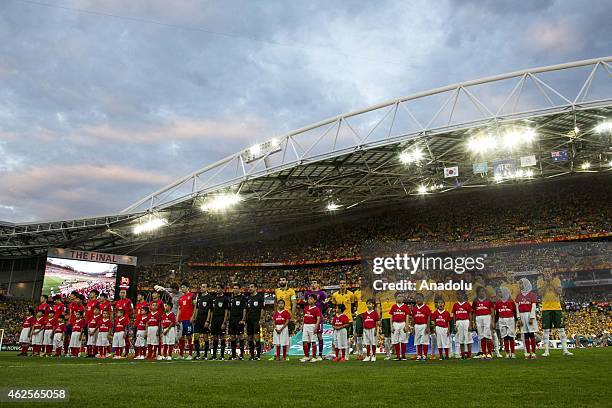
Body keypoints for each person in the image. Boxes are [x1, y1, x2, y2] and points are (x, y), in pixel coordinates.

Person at [538, 270, 573, 356]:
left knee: (561, 329)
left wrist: (551, 282)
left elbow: (559, 292)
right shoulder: (540, 281)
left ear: (551, 272)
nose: (547, 273)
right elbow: (540, 293)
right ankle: (546, 351)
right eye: (546, 272)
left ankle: (565, 350)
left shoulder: (557, 280)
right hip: (546, 308)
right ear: (543, 273)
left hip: (557, 308)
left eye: (549, 271)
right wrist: (547, 283)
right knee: (546, 330)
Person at [304, 279, 327, 360]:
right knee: (309, 337)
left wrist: (321, 312)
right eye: (312, 283)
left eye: (315, 283)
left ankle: (320, 355)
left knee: (319, 335)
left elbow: (325, 304)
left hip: (318, 317)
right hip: (310, 317)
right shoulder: (307, 293)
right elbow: (305, 304)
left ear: (317, 284)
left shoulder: (322, 293)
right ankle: (309, 355)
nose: (313, 284)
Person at [330, 279, 355, 356]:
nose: (342, 284)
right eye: (341, 283)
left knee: (346, 338)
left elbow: (353, 305)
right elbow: (334, 306)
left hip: (348, 319)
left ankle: (346, 355)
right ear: (339, 284)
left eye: (344, 283)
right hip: (338, 319)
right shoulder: (335, 295)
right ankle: (338, 354)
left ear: (346, 284)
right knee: (337, 338)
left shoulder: (351, 294)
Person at [516, 277, 538, 359]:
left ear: (525, 284)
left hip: (529, 315)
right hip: (522, 316)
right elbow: (517, 308)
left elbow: (533, 306)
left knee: (531, 334)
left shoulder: (532, 295)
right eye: (519, 283)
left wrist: (532, 317)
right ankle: (527, 353)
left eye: (521, 283)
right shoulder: (518, 296)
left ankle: (533, 353)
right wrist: (519, 319)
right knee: (525, 334)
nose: (520, 285)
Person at [208, 283, 230, 360]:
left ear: (222, 289)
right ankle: (214, 355)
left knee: (222, 337)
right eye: (216, 288)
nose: (217, 289)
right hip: (214, 320)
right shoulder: (214, 299)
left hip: (221, 320)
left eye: (219, 288)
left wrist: (224, 322)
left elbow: (226, 311)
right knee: (214, 337)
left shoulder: (225, 299)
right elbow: (211, 311)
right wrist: (210, 322)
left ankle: (222, 356)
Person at [473, 287, 495, 360]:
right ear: (477, 293)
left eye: (483, 291)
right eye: (480, 291)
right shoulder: (475, 301)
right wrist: (474, 322)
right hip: (478, 318)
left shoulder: (489, 301)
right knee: (481, 336)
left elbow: (492, 312)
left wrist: (492, 322)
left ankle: (489, 353)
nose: (481, 293)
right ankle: (484, 353)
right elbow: (474, 312)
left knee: (488, 336)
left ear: (485, 292)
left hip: (487, 318)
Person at [193, 283, 213, 360]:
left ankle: (205, 355)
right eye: (201, 287)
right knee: (196, 336)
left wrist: (207, 321)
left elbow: (210, 310)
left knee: (205, 337)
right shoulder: (199, 298)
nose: (202, 288)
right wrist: (194, 317)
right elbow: (197, 309)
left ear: (207, 288)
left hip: (205, 320)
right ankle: (198, 354)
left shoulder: (209, 298)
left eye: (204, 287)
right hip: (198, 320)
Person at [495, 287, 517, 359]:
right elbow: (497, 314)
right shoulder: (498, 302)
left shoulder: (511, 301)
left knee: (511, 337)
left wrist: (516, 321)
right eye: (499, 292)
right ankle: (507, 353)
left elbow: (514, 312)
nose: (499, 294)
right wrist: (494, 322)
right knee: (505, 337)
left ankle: (513, 353)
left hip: (510, 319)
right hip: (501, 320)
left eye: (501, 292)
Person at [300, 293, 322, 363]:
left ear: (315, 300)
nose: (309, 300)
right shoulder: (306, 308)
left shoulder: (316, 309)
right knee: (304, 341)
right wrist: (302, 325)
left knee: (313, 341)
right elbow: (304, 317)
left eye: (311, 299)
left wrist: (316, 327)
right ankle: (306, 356)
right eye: (309, 299)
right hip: (306, 325)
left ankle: (314, 357)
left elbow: (318, 319)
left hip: (312, 325)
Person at [177, 282, 196, 360]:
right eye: (181, 287)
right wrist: (177, 318)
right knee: (181, 337)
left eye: (184, 287)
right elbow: (179, 309)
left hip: (188, 319)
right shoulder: (181, 298)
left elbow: (195, 306)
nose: (182, 289)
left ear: (188, 287)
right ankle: (181, 355)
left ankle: (190, 354)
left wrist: (193, 316)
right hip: (181, 319)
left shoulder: (192, 296)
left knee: (189, 336)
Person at [245, 283, 264, 360]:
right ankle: (252, 355)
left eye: (252, 287)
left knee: (256, 337)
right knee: (250, 337)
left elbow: (262, 309)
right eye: (249, 287)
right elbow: (246, 310)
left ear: (256, 288)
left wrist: (261, 318)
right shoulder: (248, 298)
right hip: (249, 320)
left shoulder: (259, 297)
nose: (250, 288)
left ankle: (258, 356)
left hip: (256, 320)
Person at [228, 283, 247, 360]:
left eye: (236, 288)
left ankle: (241, 355)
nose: (235, 289)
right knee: (232, 337)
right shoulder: (231, 299)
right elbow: (229, 310)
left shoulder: (243, 298)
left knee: (240, 336)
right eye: (234, 288)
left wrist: (243, 319)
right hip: (232, 320)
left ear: (239, 289)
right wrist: (229, 319)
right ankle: (233, 355)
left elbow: (244, 309)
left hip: (239, 320)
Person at [389, 292, 410, 361]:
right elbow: (391, 317)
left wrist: (406, 325)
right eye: (398, 296)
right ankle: (398, 356)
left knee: (403, 340)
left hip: (403, 324)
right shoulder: (393, 306)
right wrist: (391, 326)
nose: (400, 297)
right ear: (396, 298)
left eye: (401, 296)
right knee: (395, 340)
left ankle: (403, 356)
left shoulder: (405, 306)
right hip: (395, 324)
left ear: (403, 298)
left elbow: (407, 316)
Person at [452, 291, 473, 359]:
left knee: (468, 338)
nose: (458, 296)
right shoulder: (455, 305)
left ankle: (469, 354)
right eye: (457, 294)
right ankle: (463, 354)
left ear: (463, 295)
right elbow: (454, 315)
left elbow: (470, 314)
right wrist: (455, 324)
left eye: (459, 294)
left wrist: (470, 324)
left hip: (466, 321)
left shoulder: (467, 304)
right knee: (460, 339)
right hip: (459, 322)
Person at [411, 293, 432, 361]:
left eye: (419, 298)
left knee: (424, 341)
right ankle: (419, 355)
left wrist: (428, 327)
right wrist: (413, 327)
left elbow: (428, 317)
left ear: (423, 299)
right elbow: (413, 318)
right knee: (418, 341)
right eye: (416, 298)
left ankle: (425, 355)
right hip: (416, 326)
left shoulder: (426, 307)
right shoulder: (414, 308)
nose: (418, 299)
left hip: (424, 325)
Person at [114, 289, 133, 357]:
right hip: (118, 321)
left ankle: (126, 353)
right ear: (119, 294)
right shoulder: (118, 302)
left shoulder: (128, 301)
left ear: (126, 294)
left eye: (124, 293)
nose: (122, 294)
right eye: (121, 292)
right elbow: (116, 312)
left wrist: (128, 318)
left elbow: (131, 311)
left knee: (126, 337)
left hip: (125, 321)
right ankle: (118, 353)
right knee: (118, 337)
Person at [353, 278, 368, 360]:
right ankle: (360, 354)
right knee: (358, 334)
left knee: (368, 334)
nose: (361, 281)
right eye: (359, 280)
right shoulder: (356, 293)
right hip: (359, 314)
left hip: (367, 314)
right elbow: (355, 304)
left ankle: (370, 354)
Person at [379, 295, 395, 360]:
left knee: (395, 337)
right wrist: (379, 318)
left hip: (394, 317)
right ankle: (388, 354)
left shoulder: (394, 295)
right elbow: (379, 308)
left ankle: (397, 353)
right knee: (386, 338)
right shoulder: (380, 296)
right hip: (384, 318)